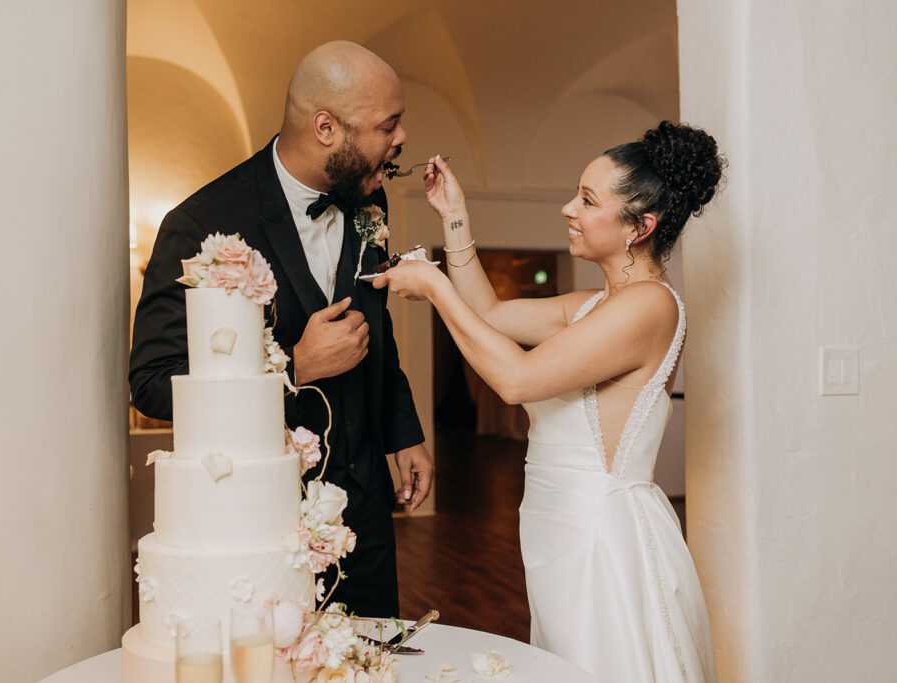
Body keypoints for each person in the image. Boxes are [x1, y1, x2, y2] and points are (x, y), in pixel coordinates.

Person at [374, 121, 724, 681]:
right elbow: (489, 314)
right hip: (554, 528)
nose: (568, 209)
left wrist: (435, 287)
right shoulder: (594, 305)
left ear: (640, 226)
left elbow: (516, 380)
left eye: (587, 200)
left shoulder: (651, 306)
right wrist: (454, 216)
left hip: (600, 538)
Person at [129, 41, 434, 619]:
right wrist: (293, 367)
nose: (399, 140)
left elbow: (377, 330)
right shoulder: (200, 225)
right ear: (326, 128)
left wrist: (404, 433)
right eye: (387, 124)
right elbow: (150, 383)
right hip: (260, 524)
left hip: (365, 513)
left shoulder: (371, 203)